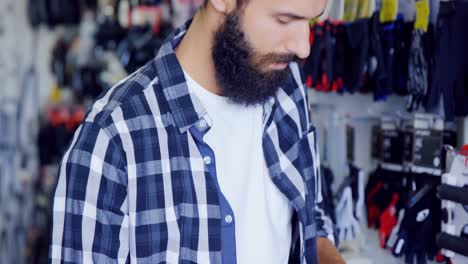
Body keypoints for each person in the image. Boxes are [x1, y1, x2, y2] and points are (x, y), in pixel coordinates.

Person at [49, 0, 344, 263]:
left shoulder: (285, 85)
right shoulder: (111, 139)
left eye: (311, 20)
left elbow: (311, 219)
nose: (303, 47)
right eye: (285, 20)